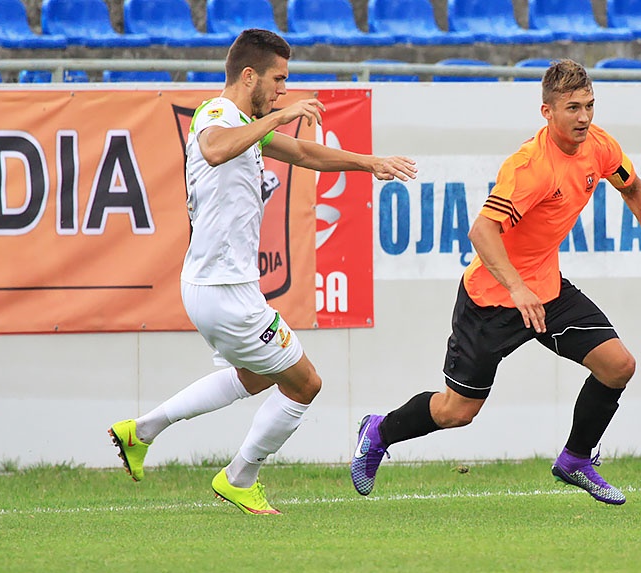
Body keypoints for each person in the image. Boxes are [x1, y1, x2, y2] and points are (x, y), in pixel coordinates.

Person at [350, 59, 641, 505]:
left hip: (547, 292)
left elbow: (633, 188)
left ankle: (575, 459)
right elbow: (482, 231)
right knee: (458, 412)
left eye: (590, 105)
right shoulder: (529, 168)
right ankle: (378, 431)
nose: (585, 117)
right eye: (573, 108)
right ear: (547, 112)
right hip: (491, 299)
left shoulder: (600, 146)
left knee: (618, 366)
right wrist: (517, 288)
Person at [108, 29, 416, 515]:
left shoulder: (241, 123)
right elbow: (213, 149)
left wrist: (369, 162)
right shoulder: (217, 114)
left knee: (254, 377)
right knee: (306, 383)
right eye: (278, 79)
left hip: (217, 286)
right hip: (225, 291)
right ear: (248, 75)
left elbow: (304, 154)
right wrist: (278, 116)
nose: (283, 90)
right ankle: (240, 477)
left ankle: (142, 430)